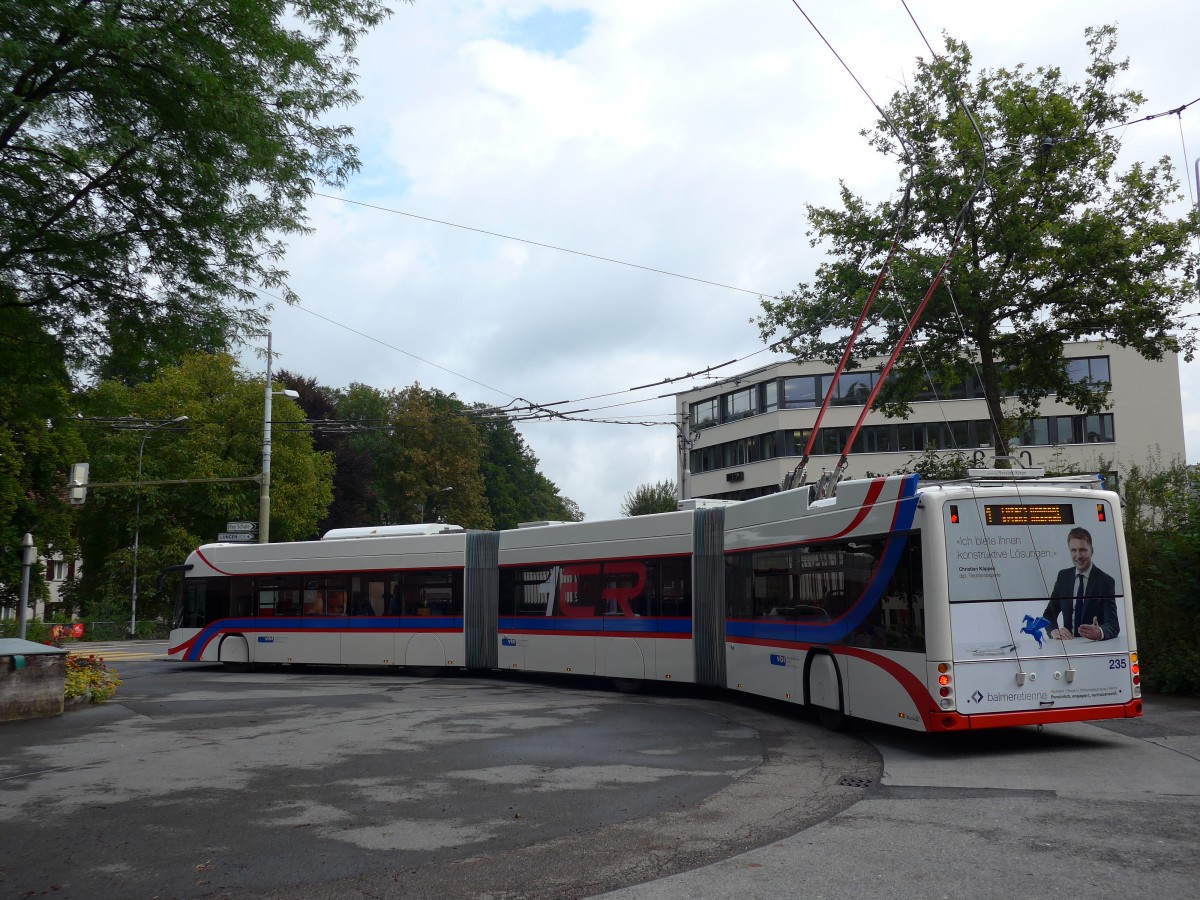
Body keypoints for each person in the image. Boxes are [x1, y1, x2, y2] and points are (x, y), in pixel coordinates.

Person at [1042, 527, 1119, 641]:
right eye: (1073, 550)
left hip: (1093, 646)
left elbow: (1113, 625)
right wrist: (1054, 631)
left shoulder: (1105, 581)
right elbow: (1049, 615)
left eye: (1083, 550)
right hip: (1068, 645)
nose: (1078, 556)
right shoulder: (1063, 577)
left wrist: (1099, 632)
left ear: (1091, 551)